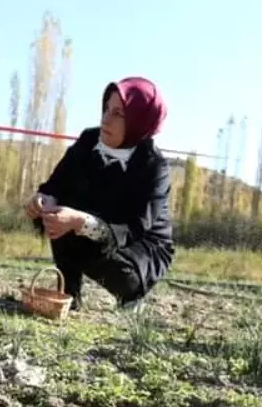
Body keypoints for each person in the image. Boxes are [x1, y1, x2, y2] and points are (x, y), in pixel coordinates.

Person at [24, 77, 174, 312]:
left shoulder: (154, 167)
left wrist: (81, 221)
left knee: (115, 265)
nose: (105, 118)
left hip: (139, 246)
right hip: (93, 223)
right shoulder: (88, 141)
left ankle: (131, 296)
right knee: (60, 216)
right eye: (106, 109)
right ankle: (69, 294)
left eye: (118, 114)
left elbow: (134, 227)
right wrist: (44, 200)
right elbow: (56, 184)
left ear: (138, 121)